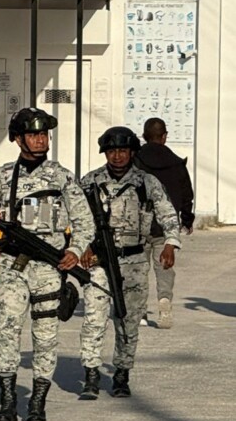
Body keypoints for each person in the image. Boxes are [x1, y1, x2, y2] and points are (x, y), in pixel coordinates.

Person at [0, 107, 94, 421]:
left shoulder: (62, 177)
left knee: (46, 336)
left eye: (43, 134)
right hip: (12, 265)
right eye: (33, 134)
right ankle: (8, 402)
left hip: (49, 267)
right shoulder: (3, 175)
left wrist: (75, 251)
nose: (40, 140)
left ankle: (37, 402)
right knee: (8, 330)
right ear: (18, 139)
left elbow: (84, 221)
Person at [78, 126, 181, 399]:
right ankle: (90, 373)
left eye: (123, 151)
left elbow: (168, 213)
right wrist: (82, 246)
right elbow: (75, 218)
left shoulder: (146, 182)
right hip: (99, 261)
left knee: (128, 320)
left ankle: (122, 373)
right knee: (93, 318)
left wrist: (170, 242)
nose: (117, 156)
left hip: (134, 260)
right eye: (112, 151)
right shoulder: (90, 182)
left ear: (132, 152)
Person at [134, 117, 194, 329]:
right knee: (164, 266)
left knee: (137, 269)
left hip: (138, 225)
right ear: (164, 136)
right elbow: (187, 194)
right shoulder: (177, 163)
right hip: (165, 226)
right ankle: (164, 300)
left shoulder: (134, 160)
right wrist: (186, 219)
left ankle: (139, 312)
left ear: (143, 136)